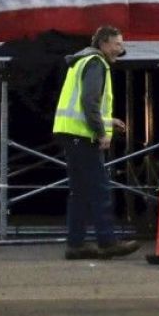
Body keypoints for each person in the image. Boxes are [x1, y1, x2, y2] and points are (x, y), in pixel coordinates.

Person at [52, 25, 138, 260]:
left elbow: (83, 107)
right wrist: (101, 132)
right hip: (82, 135)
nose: (121, 49)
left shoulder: (81, 61)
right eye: (117, 44)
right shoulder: (96, 63)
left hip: (71, 132)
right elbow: (90, 102)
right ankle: (107, 241)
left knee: (79, 192)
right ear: (103, 43)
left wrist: (108, 121)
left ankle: (76, 244)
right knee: (100, 189)